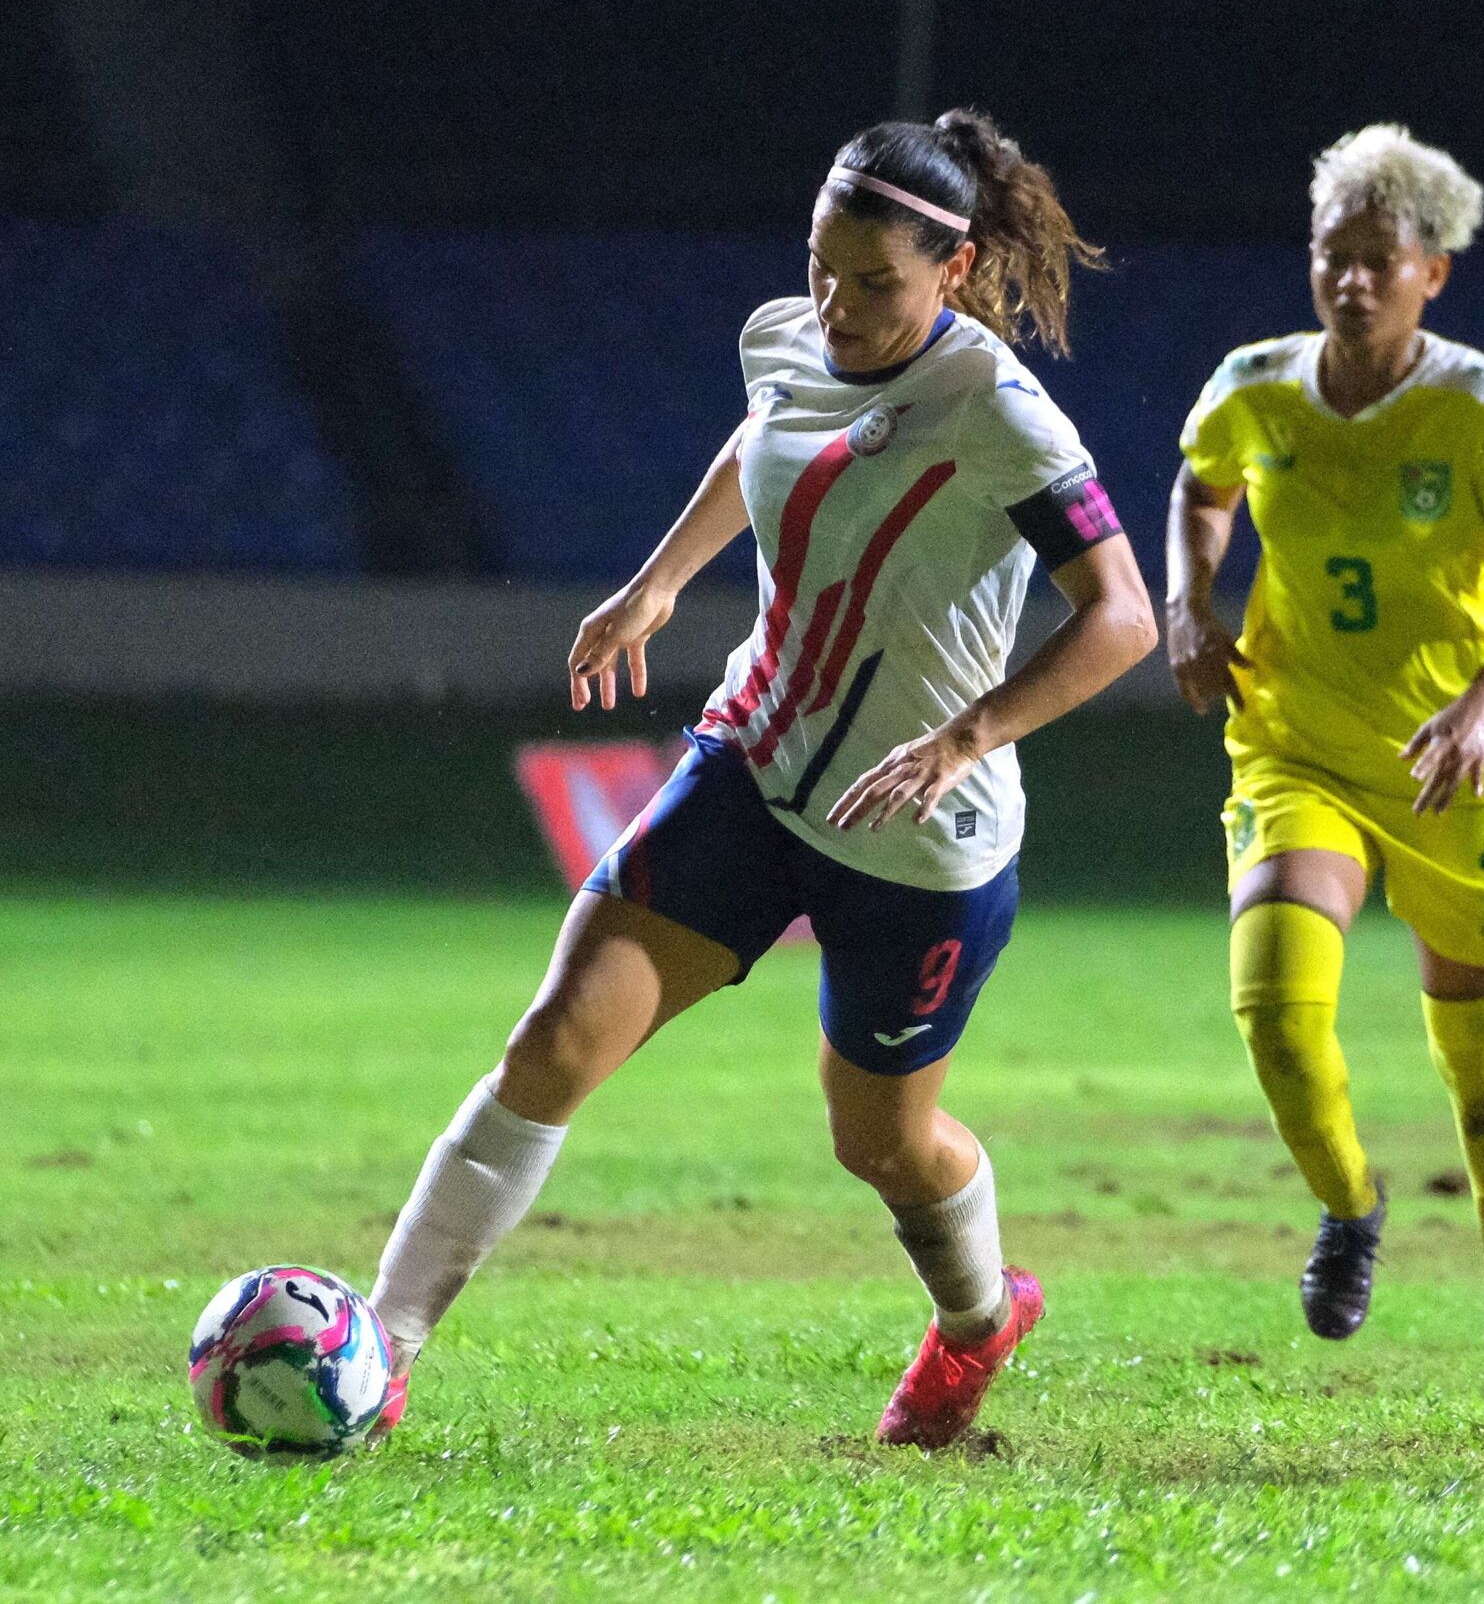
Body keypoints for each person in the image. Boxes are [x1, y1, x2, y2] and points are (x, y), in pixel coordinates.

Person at [366, 110, 1155, 1449]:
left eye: (875, 282)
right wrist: (657, 582)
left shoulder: (996, 410)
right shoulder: (787, 338)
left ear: (955, 269)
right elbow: (764, 439)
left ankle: (978, 1319)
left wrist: (961, 739)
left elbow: (1123, 616)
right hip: (752, 765)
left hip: (919, 835)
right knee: (555, 1039)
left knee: (880, 1143)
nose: (837, 305)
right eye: (820, 268)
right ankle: (379, 1351)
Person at [1165, 125, 1484, 1377]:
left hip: (1459, 770)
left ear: (1430, 274)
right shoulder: (1252, 387)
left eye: (1377, 262)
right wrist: (1190, 599)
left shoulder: (1481, 407)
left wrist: (1479, 705)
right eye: (1329, 257)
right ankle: (1351, 1208)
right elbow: (1201, 489)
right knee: (1276, 1015)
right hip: (1296, 748)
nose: (1349, 282)